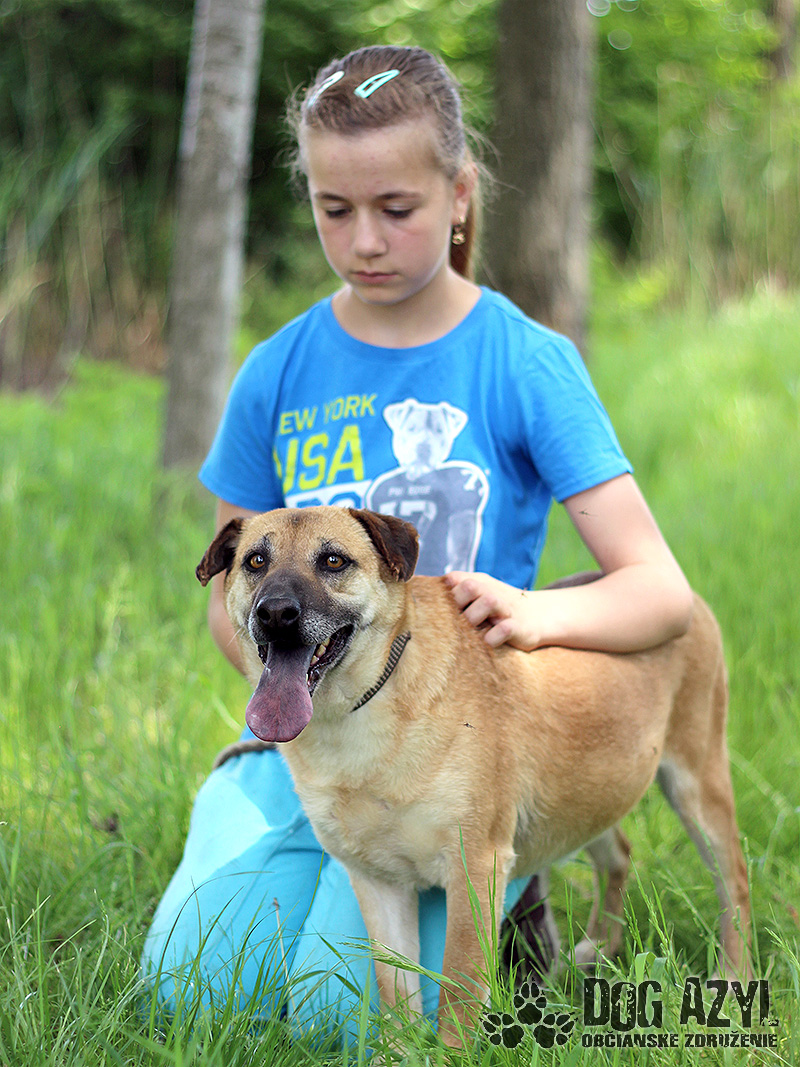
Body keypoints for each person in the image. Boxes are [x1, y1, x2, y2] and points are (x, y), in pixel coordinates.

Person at [140, 44, 693, 1037]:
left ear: (459, 193)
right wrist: (291, 694)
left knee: (341, 1013)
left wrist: (534, 610)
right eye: (332, 208)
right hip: (305, 747)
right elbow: (232, 592)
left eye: (395, 208)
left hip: (450, 758)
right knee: (192, 990)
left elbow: (659, 591)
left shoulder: (524, 361)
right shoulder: (276, 368)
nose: (363, 240)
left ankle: (514, 899)